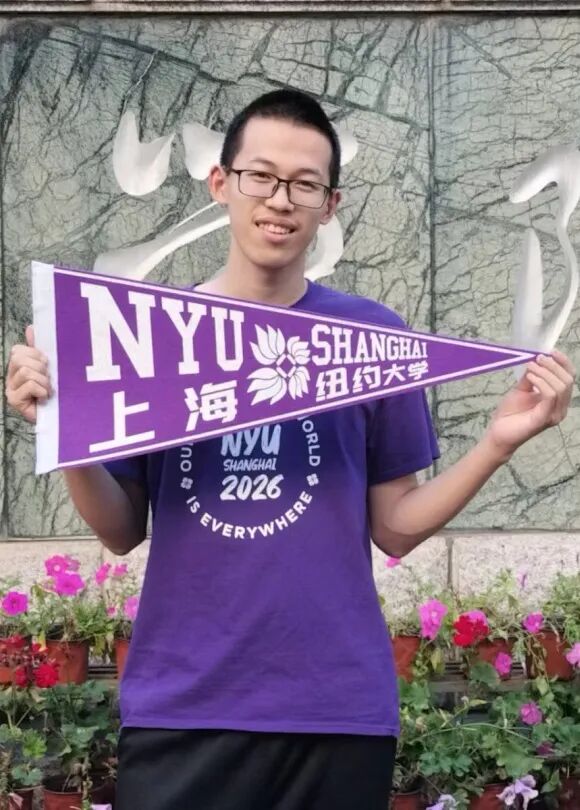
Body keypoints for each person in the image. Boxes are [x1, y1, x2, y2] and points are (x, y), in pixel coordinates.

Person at [5, 89, 576, 810]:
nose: (280, 199)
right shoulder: (154, 335)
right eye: (261, 176)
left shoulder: (369, 339)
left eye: (305, 184)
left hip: (335, 709)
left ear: (329, 205)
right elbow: (120, 530)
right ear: (221, 183)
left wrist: (496, 444)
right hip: (183, 707)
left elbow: (395, 527)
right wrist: (66, 431)